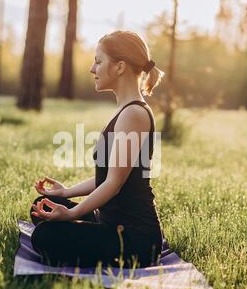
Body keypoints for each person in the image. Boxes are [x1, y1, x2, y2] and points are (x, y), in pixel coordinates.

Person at [30, 30, 165, 269]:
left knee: (45, 237)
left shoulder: (134, 114)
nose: (92, 69)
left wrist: (72, 215)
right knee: (42, 206)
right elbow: (108, 177)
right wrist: (65, 193)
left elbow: (114, 183)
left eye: (98, 61)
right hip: (110, 223)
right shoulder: (126, 111)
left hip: (134, 241)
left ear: (119, 67)